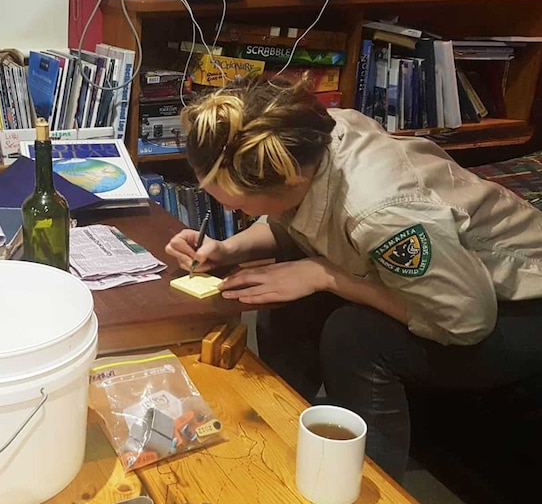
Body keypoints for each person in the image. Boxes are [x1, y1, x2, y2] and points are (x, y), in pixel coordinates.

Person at [165, 76, 542, 482]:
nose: (225, 205)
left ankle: (369, 492)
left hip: (517, 300)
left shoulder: (384, 215)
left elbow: (465, 320)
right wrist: (228, 249)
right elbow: (295, 220)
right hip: (446, 277)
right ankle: (274, 426)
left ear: (288, 179)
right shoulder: (310, 136)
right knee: (284, 280)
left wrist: (326, 276)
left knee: (354, 334)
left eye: (232, 201)